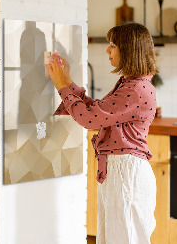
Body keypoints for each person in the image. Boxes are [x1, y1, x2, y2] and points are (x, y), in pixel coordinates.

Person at [45, 22, 158, 244]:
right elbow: (97, 111)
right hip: (120, 172)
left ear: (129, 49)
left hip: (126, 174)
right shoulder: (131, 84)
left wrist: (61, 86)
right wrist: (67, 81)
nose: (107, 50)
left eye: (113, 45)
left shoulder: (135, 89)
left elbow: (89, 119)